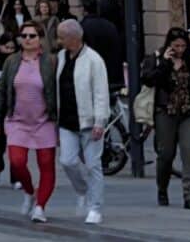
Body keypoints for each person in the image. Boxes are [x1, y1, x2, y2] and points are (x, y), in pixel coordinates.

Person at [0, 20, 59, 223]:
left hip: (44, 121)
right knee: (17, 162)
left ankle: (40, 206)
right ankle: (29, 192)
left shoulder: (50, 61)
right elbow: (2, 90)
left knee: (46, 164)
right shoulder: (12, 61)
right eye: (24, 36)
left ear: (40, 39)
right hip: (17, 121)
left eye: (32, 36)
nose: (28, 39)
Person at [54, 19, 110, 226]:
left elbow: (101, 92)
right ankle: (83, 190)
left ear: (74, 38)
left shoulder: (94, 60)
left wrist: (100, 121)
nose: (59, 41)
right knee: (67, 161)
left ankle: (95, 207)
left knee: (93, 164)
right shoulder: (61, 57)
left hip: (89, 121)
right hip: (67, 120)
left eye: (61, 37)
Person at [149, 27, 190, 210]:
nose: (180, 49)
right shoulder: (159, 58)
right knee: (166, 154)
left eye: (183, 45)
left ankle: (189, 195)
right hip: (166, 111)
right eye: (176, 46)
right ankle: (162, 189)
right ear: (169, 45)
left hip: (189, 113)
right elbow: (150, 81)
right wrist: (166, 64)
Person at [78, 0, 121, 86]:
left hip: (92, 76)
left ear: (83, 9)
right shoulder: (110, 26)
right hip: (112, 76)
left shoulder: (81, 27)